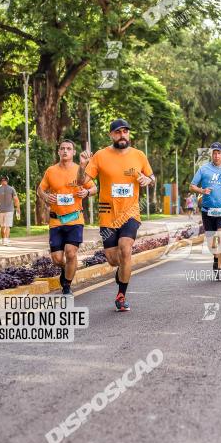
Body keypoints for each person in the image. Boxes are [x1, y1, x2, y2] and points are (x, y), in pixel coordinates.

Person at [78, 119, 154, 312]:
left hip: (130, 212)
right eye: (118, 132)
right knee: (113, 259)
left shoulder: (139, 155)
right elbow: (82, 181)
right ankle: (122, 271)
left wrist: (148, 179)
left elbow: (152, 178)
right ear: (111, 135)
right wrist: (82, 165)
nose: (122, 135)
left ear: (129, 134)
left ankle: (121, 295)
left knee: (125, 249)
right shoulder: (100, 156)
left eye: (125, 132)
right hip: (107, 213)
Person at [37, 140, 97, 295]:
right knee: (57, 259)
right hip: (56, 220)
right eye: (62, 148)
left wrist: (86, 192)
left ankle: (67, 286)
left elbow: (94, 188)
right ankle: (68, 268)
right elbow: (40, 189)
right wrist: (45, 197)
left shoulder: (80, 170)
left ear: (73, 152)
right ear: (58, 152)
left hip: (75, 218)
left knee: (70, 252)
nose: (65, 151)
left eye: (69, 149)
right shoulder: (51, 171)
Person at [189, 142, 221, 281]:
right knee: (212, 244)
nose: (216, 155)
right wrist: (202, 190)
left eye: (219, 153)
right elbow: (192, 186)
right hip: (207, 210)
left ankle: (220, 269)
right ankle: (215, 258)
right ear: (211, 154)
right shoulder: (203, 169)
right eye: (214, 153)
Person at [0, 175, 21, 246]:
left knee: (2, 226)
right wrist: (18, 208)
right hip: (9, 210)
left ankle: (3, 240)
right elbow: (16, 200)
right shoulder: (11, 189)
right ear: (7, 180)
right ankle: (6, 241)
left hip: (0, 211)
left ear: (0, 181)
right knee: (7, 226)